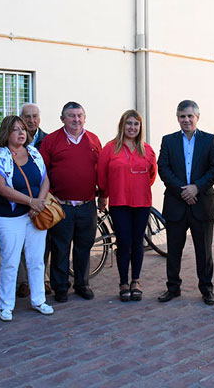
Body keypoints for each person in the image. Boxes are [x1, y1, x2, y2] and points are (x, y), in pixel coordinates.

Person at [0, 115, 54, 321]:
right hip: (9, 216)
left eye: (23, 129)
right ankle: (6, 306)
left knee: (36, 259)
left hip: (35, 214)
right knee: (10, 260)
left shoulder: (34, 153)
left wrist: (39, 203)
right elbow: (0, 188)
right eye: (16, 129)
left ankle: (39, 300)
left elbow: (45, 180)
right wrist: (30, 202)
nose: (22, 133)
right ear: (7, 133)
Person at [40, 101, 105, 302]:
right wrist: (50, 197)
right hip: (62, 206)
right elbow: (42, 173)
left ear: (84, 118)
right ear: (62, 119)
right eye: (71, 116)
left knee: (84, 246)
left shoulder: (93, 140)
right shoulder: (51, 141)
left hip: (87, 206)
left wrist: (103, 194)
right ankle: (60, 287)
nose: (76, 120)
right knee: (60, 248)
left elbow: (101, 171)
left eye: (80, 116)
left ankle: (82, 284)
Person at [157, 100, 214, 305]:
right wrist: (183, 190)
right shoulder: (168, 141)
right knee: (174, 250)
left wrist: (196, 187)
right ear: (178, 118)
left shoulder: (209, 140)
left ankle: (206, 289)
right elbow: (163, 168)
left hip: (202, 204)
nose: (186, 120)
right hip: (176, 203)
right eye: (182, 116)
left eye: (190, 116)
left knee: (204, 251)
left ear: (197, 117)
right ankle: (173, 287)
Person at [97, 110, 157, 302]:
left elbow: (152, 175)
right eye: (129, 124)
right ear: (122, 126)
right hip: (119, 202)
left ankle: (136, 281)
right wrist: (104, 195)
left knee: (138, 242)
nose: (132, 128)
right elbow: (101, 175)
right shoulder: (110, 148)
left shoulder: (147, 149)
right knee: (124, 242)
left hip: (141, 202)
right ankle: (123, 282)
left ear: (140, 127)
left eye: (136, 124)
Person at [16, 103, 49, 297]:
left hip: (42, 198)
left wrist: (40, 200)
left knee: (41, 242)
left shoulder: (47, 140)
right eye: (27, 117)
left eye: (34, 116)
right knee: (20, 244)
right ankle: (23, 282)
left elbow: (47, 172)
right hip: (19, 198)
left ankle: (42, 279)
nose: (31, 120)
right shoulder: (13, 141)